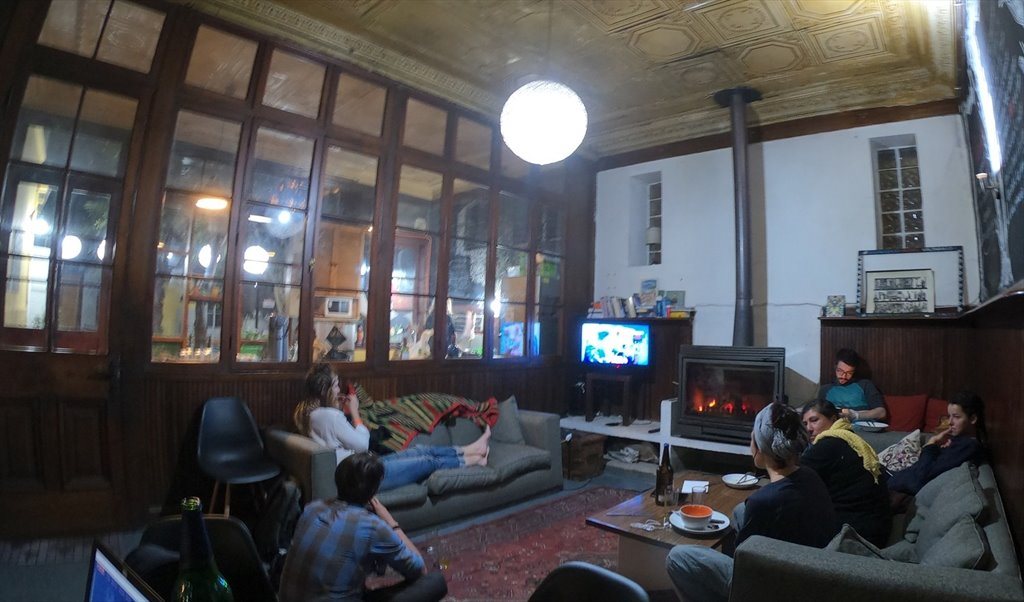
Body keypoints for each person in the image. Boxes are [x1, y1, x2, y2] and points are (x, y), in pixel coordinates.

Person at [665, 403, 837, 602]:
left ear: (760, 446)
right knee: (741, 510)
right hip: (811, 572)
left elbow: (744, 570)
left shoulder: (764, 501)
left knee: (678, 556)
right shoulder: (810, 476)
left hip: (776, 585)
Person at [278, 452, 448, 602]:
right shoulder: (372, 526)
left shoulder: (312, 508)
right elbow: (419, 570)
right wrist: (390, 522)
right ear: (374, 489)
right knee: (435, 582)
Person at [294, 363, 490, 491]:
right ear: (325, 389)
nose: (339, 389)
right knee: (426, 461)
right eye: (336, 385)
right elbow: (362, 444)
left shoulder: (311, 414)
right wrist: (354, 412)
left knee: (420, 450)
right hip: (362, 478)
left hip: (363, 468)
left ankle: (469, 450)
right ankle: (472, 459)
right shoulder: (329, 416)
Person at [801, 400, 891, 547]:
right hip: (877, 527)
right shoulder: (849, 437)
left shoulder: (828, 445)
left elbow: (792, 478)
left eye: (814, 420)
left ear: (833, 419)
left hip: (854, 534)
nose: (809, 429)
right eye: (805, 424)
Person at [887, 391, 988, 496]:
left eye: (956, 417)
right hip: (897, 478)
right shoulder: (960, 441)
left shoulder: (969, 447)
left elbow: (923, 474)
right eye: (949, 416)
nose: (950, 422)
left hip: (898, 489)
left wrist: (931, 444)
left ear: (972, 419)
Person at [816, 348, 887, 422]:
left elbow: (882, 413)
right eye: (840, 371)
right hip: (835, 427)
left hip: (861, 426)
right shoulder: (825, 389)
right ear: (835, 367)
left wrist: (856, 415)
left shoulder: (865, 385)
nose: (844, 376)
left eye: (849, 373)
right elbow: (819, 413)